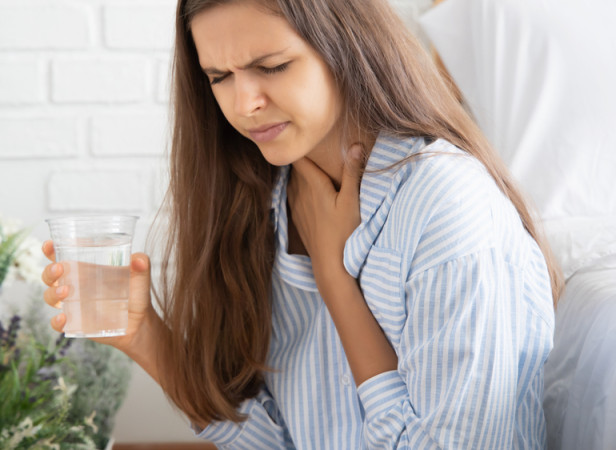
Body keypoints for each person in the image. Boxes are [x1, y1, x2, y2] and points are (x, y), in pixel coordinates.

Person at [41, 0, 564, 448]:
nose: (244, 104)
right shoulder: (269, 198)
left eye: (271, 66)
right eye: (219, 77)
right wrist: (146, 338)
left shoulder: (445, 205)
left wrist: (339, 289)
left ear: (345, 44)